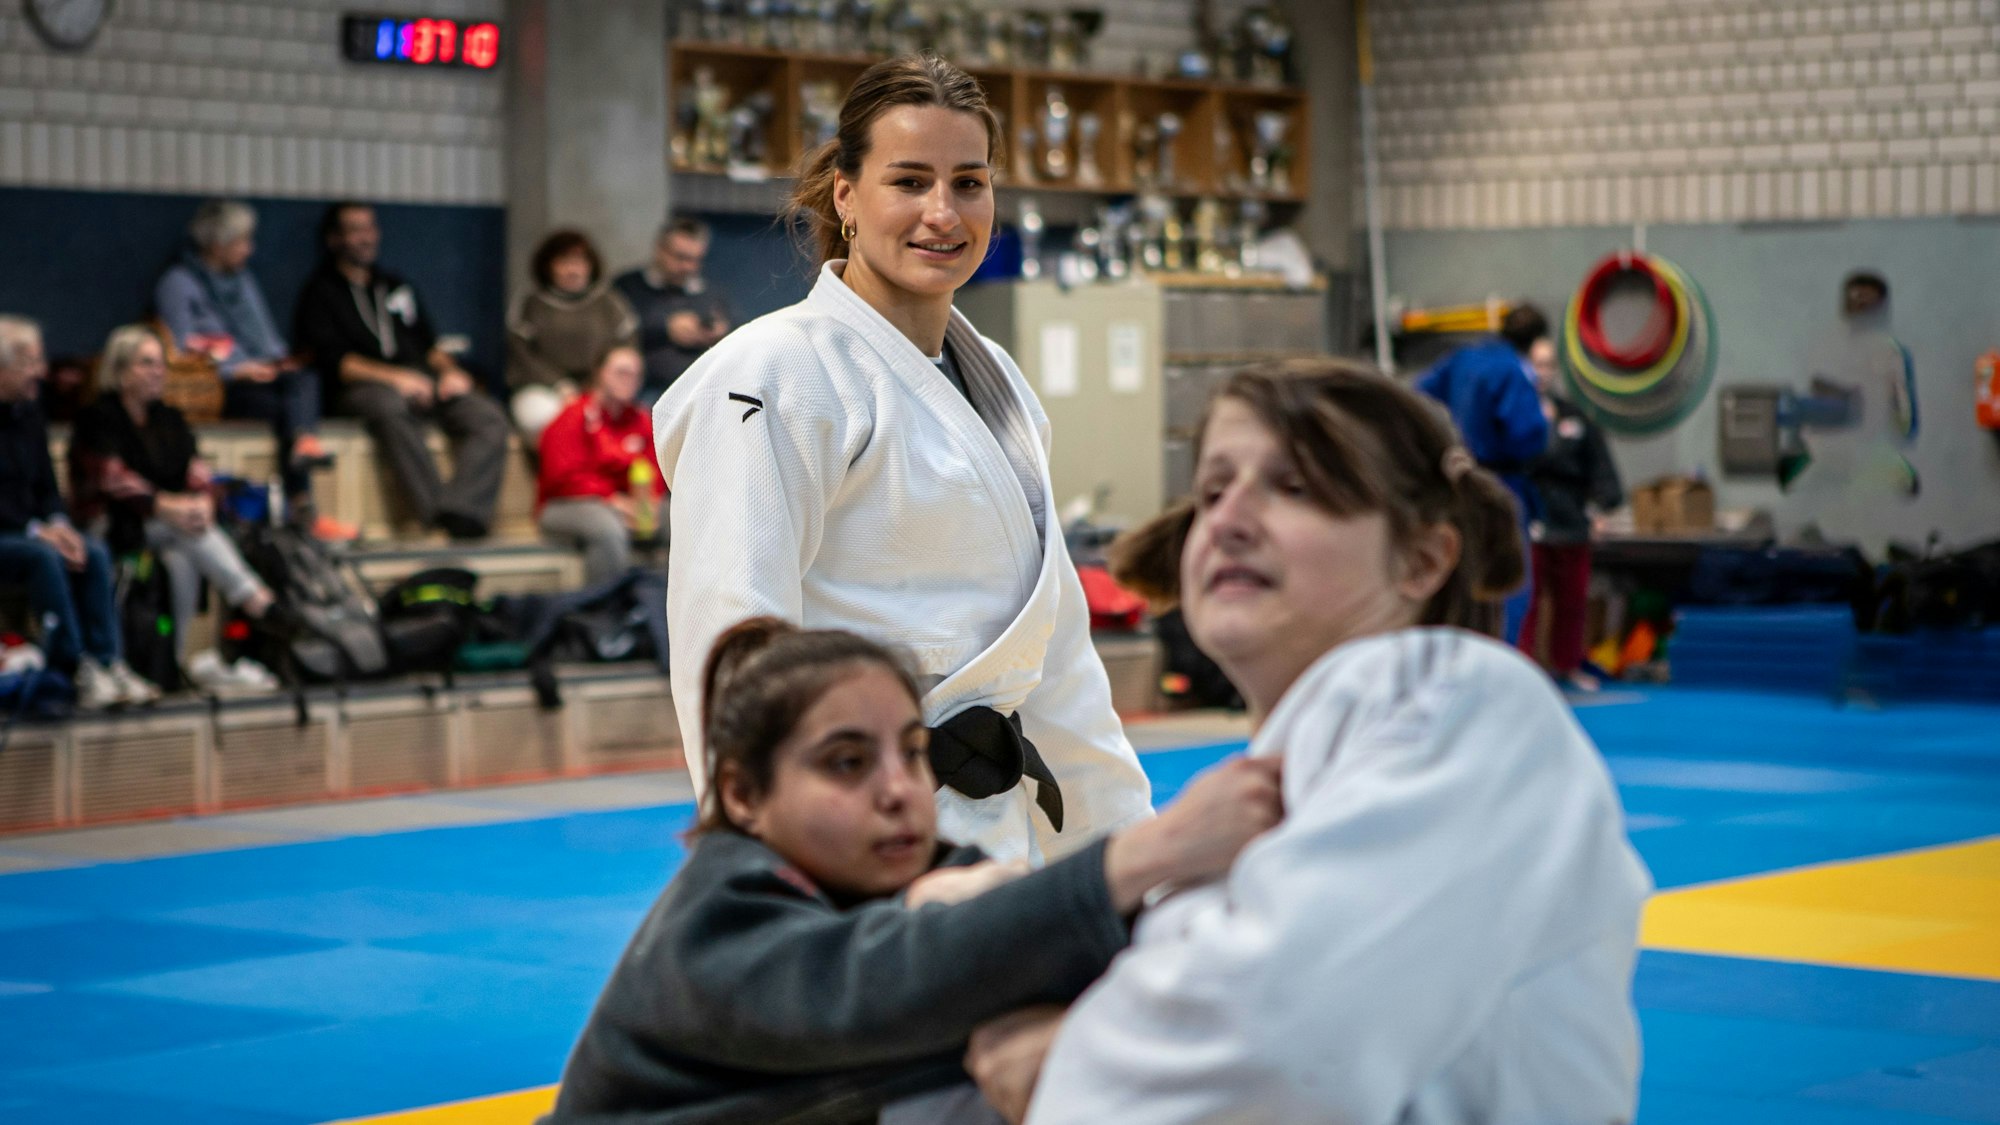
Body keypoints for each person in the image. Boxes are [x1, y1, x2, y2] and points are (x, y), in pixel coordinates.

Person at [966, 360, 1652, 1124]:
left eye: (1294, 488)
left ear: (1422, 559)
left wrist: (1064, 1057)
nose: (1228, 520)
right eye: (1213, 490)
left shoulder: (1468, 706)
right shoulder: (1296, 767)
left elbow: (1277, 1041)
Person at [654, 54, 1154, 865]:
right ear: (846, 195)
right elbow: (732, 645)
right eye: (910, 181)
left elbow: (1058, 657)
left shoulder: (1000, 380)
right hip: (855, 833)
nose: (943, 213)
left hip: (1000, 834)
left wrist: (1125, 851)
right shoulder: (776, 372)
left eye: (969, 182)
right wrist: (762, 874)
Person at [546, 616, 1282, 1124]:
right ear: (742, 796)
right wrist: (1147, 852)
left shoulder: (929, 875)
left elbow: (1023, 947)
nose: (899, 789)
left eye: (911, 752)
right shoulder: (711, 927)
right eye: (847, 763)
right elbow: (881, 980)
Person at [68, 325, 283, 693]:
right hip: (111, 525)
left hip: (168, 527)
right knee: (188, 530)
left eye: (161, 364)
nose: (158, 372)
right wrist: (167, 506)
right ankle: (254, 599)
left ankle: (171, 663)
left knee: (182, 558)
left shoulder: (168, 418)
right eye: (146, 363)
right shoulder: (98, 418)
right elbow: (112, 480)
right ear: (120, 371)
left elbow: (197, 473)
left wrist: (202, 501)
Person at [292, 201, 510, 540]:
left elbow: (430, 345)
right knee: (388, 405)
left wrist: (451, 372)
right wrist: (397, 379)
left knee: (488, 416)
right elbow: (336, 362)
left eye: (370, 228)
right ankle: (435, 516)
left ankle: (462, 512)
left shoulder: (394, 285)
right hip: (363, 388)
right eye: (355, 230)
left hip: (421, 381)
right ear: (335, 238)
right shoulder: (321, 291)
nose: (365, 238)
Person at [155, 199, 355, 540]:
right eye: (242, 241)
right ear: (217, 244)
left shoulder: (242, 281)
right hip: (217, 385)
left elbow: (267, 338)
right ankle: (304, 506)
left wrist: (278, 363)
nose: (249, 249)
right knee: (287, 411)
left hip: (261, 380)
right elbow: (180, 350)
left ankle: (303, 446)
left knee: (303, 381)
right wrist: (237, 369)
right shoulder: (178, 283)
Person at [0, 315, 160, 707]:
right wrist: (39, 531)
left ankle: (108, 661)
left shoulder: (29, 413)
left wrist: (60, 525)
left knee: (93, 551)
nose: (41, 372)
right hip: (11, 535)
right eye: (28, 362)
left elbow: (47, 487)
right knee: (43, 556)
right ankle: (74, 665)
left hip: (32, 529)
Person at [1415, 302, 1551, 644]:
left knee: (1457, 576)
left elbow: (1418, 394)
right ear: (1535, 341)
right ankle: (1497, 655)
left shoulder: (1463, 358)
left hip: (1454, 480)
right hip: (1500, 482)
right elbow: (1527, 433)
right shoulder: (1513, 371)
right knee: (1506, 581)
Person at [1522, 337, 1622, 691]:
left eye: (1549, 365)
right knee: (1526, 601)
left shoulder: (1575, 416)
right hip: (1529, 522)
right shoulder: (1512, 417)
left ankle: (1567, 666)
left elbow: (1600, 468)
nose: (1542, 372)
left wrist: (1600, 510)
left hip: (1571, 522)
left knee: (1571, 601)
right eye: (1536, 364)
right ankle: (1523, 670)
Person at [537, 344, 666, 584]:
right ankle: (606, 601)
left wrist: (649, 503)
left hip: (628, 502)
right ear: (599, 373)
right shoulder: (573, 416)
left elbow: (655, 471)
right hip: (566, 505)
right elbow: (563, 479)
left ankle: (665, 599)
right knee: (607, 527)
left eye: (636, 375)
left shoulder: (640, 419)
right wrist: (615, 501)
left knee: (678, 517)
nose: (629, 380)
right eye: (621, 372)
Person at [506, 229, 637, 444]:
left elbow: (627, 349)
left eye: (579, 262)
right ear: (548, 266)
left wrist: (601, 384)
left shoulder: (610, 303)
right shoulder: (530, 304)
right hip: (543, 389)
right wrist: (560, 386)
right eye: (564, 263)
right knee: (548, 420)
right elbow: (522, 355)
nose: (573, 270)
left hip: (601, 389)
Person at [613, 215, 731, 403]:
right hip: (643, 388)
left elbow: (738, 325)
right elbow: (611, 334)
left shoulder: (710, 291)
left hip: (700, 389)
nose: (688, 267)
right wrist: (665, 328)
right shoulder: (628, 286)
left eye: (696, 260)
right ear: (660, 249)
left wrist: (720, 331)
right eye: (681, 257)